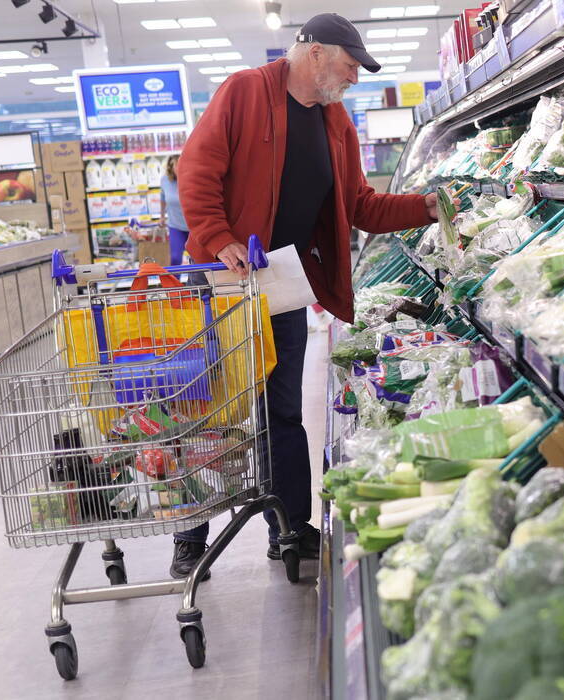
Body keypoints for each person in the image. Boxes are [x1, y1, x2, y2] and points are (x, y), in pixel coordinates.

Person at [173, 12, 441, 578]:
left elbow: (361, 204)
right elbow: (196, 171)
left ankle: (290, 526)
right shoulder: (245, 92)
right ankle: (190, 532)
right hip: (223, 285)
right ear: (314, 52)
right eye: (350, 65)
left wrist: (428, 207)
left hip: (282, 286)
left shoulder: (336, 122)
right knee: (209, 412)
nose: (354, 78)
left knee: (283, 411)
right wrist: (219, 239)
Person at [158, 155, 187, 266]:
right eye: (177, 165)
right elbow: (162, 198)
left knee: (197, 258)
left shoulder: (192, 178)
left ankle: (197, 281)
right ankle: (174, 283)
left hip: (193, 227)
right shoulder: (165, 180)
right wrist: (162, 216)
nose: (181, 167)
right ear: (171, 167)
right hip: (175, 226)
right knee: (174, 258)